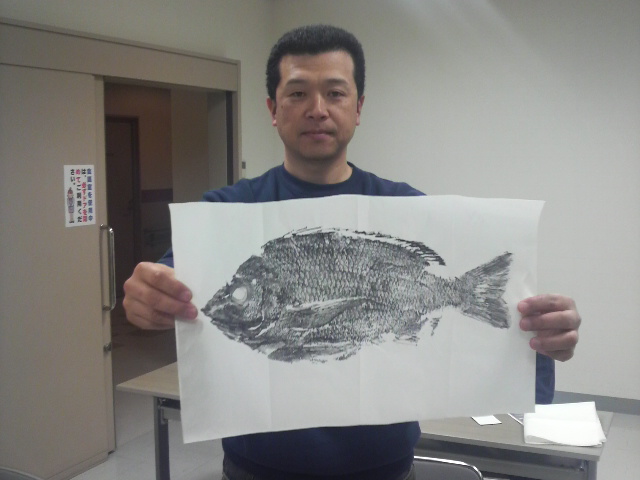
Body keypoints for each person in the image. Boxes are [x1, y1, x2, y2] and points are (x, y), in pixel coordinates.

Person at [123, 24, 581, 480]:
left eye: (335, 93)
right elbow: (174, 283)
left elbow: (481, 344)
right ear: (272, 109)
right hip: (254, 472)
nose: (317, 109)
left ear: (358, 107)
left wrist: (540, 341)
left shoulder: (407, 211)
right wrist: (147, 296)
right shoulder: (226, 213)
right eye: (297, 93)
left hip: (385, 471)